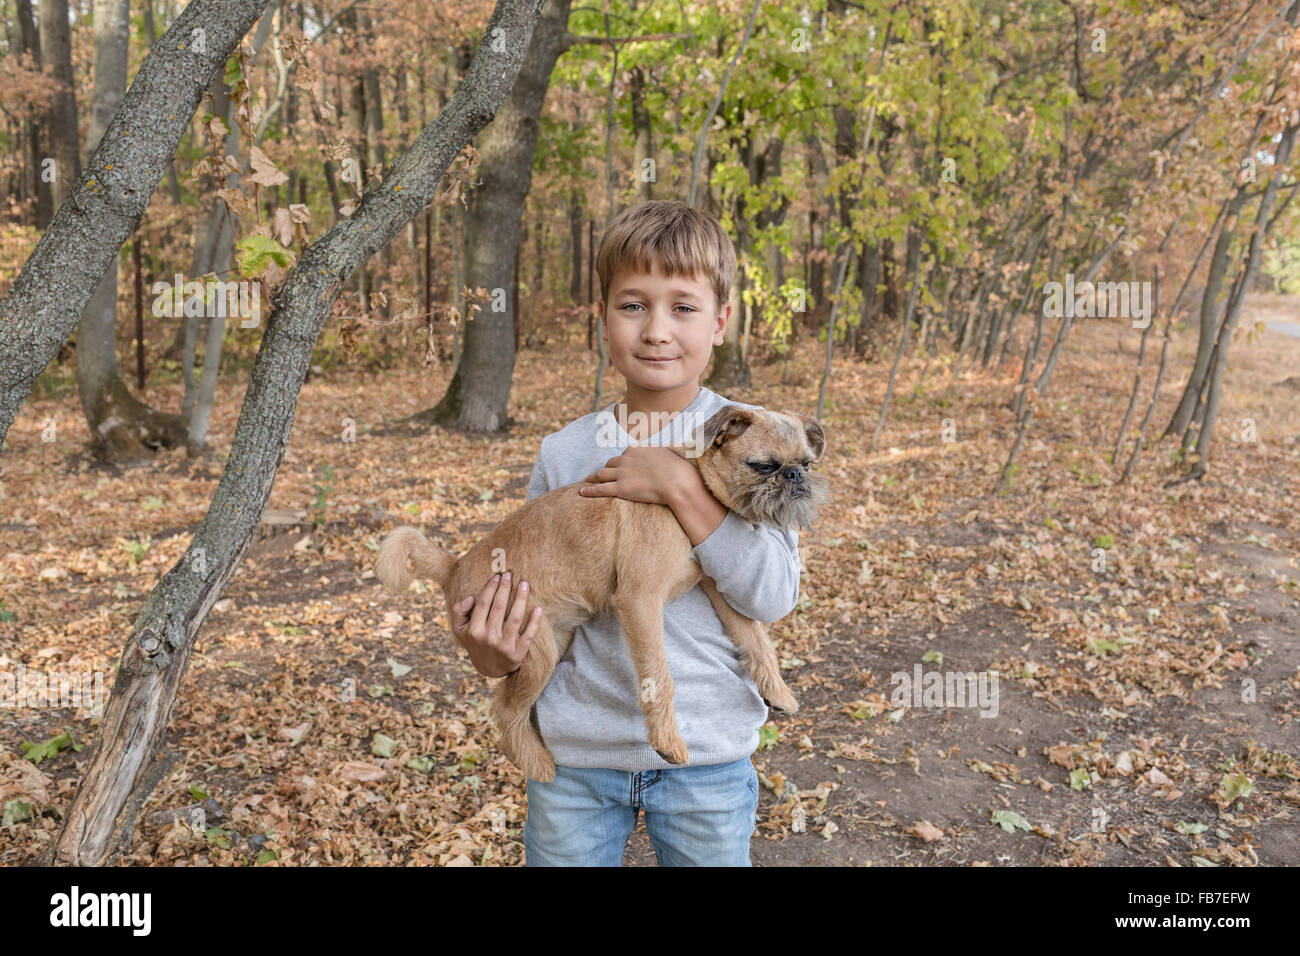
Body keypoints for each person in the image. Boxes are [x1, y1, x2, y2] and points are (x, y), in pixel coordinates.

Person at [449, 199, 802, 866]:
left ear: (722, 320)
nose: (656, 330)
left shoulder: (754, 439)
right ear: (603, 319)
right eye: (633, 305)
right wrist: (492, 652)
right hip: (579, 756)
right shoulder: (566, 452)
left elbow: (772, 595)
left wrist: (679, 488)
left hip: (709, 755)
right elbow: (538, 597)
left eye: (684, 307)